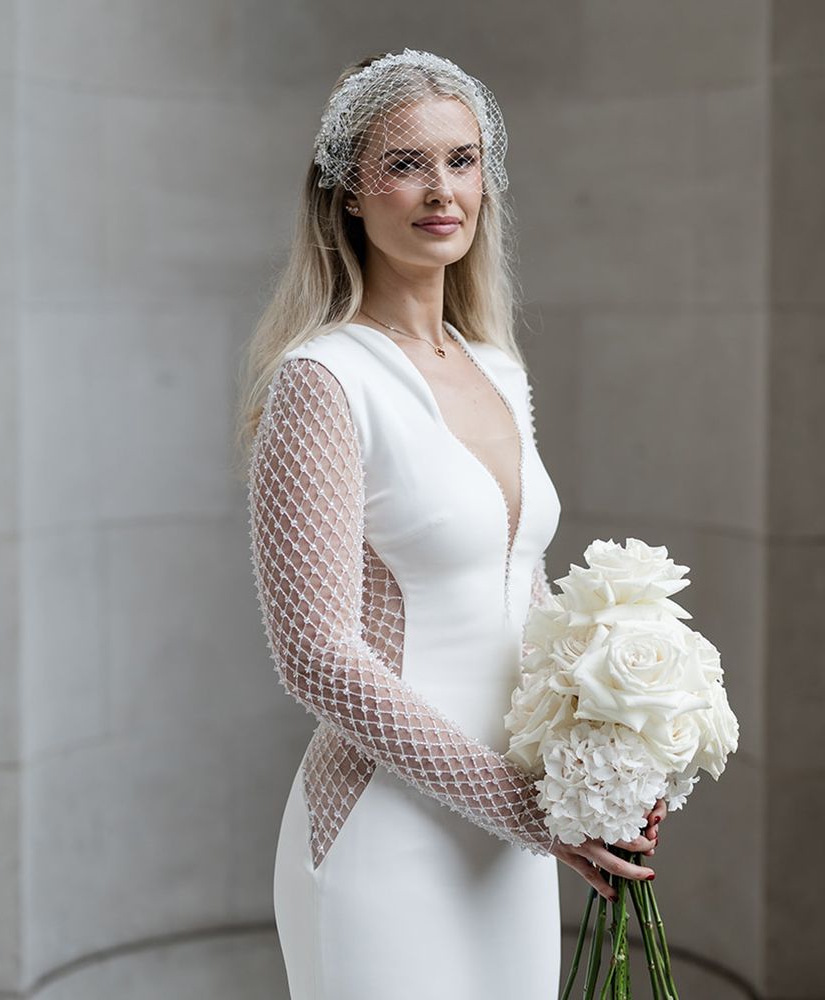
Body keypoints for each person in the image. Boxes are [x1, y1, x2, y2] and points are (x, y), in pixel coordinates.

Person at [236, 48, 667, 1000]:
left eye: (462, 160)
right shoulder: (324, 379)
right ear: (348, 192)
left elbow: (524, 595)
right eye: (406, 164)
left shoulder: (496, 368)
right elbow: (316, 657)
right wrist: (526, 808)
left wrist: (608, 762)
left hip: (514, 849)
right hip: (387, 839)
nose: (442, 190)